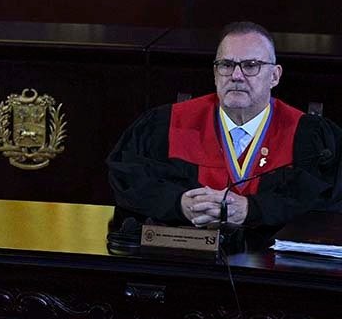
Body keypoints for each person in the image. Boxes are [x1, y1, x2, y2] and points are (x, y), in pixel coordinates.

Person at [107, 21, 342, 235]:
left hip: (273, 268)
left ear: (274, 76)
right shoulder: (166, 124)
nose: (236, 75)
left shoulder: (310, 136)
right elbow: (127, 179)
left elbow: (324, 200)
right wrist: (179, 203)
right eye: (226, 65)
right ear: (215, 73)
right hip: (185, 259)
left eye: (251, 65)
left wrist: (253, 209)